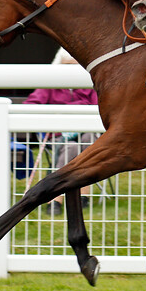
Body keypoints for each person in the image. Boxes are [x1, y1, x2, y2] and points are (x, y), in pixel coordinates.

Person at [23, 48, 97, 216]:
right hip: (57, 136)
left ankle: (80, 195)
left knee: (90, 140)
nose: (72, 71)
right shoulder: (50, 86)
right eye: (67, 66)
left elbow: (102, 108)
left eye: (76, 67)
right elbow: (30, 105)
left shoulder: (89, 87)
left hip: (85, 133)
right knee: (71, 147)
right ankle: (57, 198)